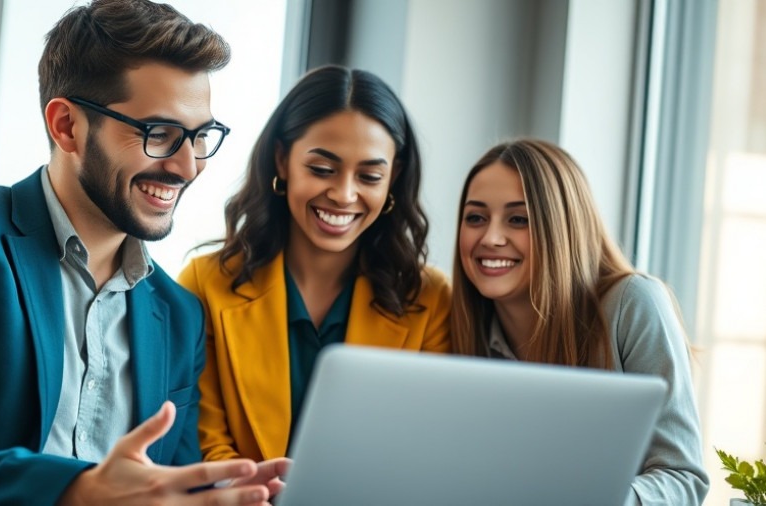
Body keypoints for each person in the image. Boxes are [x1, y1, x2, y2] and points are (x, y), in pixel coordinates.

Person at [0, 1, 288, 504]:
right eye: (160, 134)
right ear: (66, 126)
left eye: (201, 137)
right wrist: (79, 490)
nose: (187, 166)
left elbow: (171, 487)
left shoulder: (178, 316)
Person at [178, 64, 451, 463]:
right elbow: (204, 442)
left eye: (370, 177)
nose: (343, 195)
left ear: (394, 178)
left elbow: (426, 448)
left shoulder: (429, 298)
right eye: (322, 170)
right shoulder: (205, 283)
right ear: (282, 160)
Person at [449, 138, 709, 504]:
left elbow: (683, 479)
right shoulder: (463, 326)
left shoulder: (632, 303)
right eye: (475, 217)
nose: (490, 237)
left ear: (561, 226)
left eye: (518, 219)